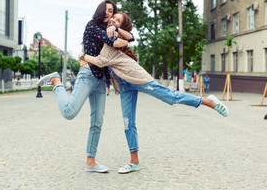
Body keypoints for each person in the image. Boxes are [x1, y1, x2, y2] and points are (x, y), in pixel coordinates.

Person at [79, 11, 229, 174]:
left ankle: (208, 101)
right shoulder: (107, 38)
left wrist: (83, 55)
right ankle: (134, 161)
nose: (113, 20)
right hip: (125, 85)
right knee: (128, 122)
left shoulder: (115, 39)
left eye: (117, 20)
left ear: (121, 26)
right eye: (113, 18)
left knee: (170, 97)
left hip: (138, 78)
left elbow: (102, 61)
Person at [37, 0, 130, 173]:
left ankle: (90, 161)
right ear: (101, 10)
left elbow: (127, 39)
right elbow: (116, 43)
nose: (110, 14)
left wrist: (120, 34)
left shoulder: (109, 30)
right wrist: (122, 40)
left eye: (113, 12)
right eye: (108, 10)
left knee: (97, 122)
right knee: (69, 112)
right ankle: (56, 82)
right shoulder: (92, 25)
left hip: (101, 80)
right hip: (87, 76)